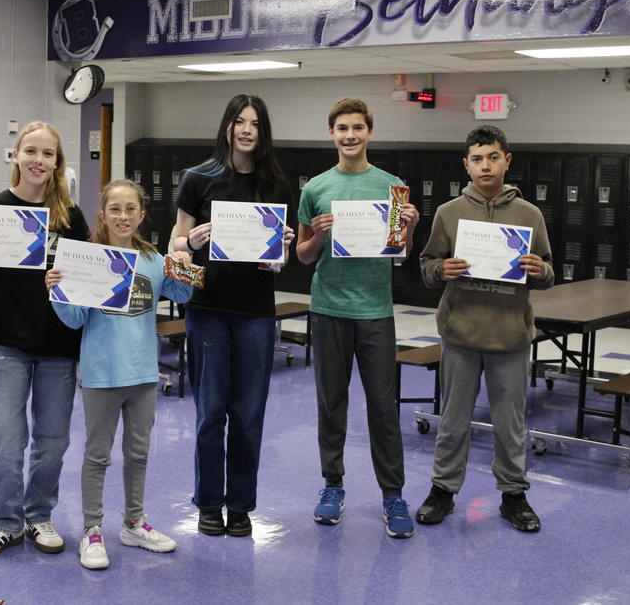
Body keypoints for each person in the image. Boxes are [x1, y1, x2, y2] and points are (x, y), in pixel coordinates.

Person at [47, 179, 194, 569]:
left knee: (139, 454)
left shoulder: (152, 259)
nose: (123, 216)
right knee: (97, 456)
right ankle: (92, 530)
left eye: (131, 209)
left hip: (143, 373)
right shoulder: (88, 258)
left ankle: (134, 522)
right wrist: (58, 293)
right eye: (115, 209)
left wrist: (184, 272)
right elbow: (75, 318)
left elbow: (181, 297)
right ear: (103, 214)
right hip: (101, 373)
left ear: (141, 215)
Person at [416, 124, 554, 533]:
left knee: (510, 421)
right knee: (453, 419)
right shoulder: (449, 212)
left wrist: (539, 269)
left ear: (507, 161)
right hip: (461, 334)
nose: (485, 165)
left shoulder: (529, 214)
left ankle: (513, 495)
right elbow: (426, 268)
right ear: (466, 165)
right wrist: (442, 268)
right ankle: (443, 489)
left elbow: (548, 272)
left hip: (509, 335)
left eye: (493, 157)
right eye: (477, 159)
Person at [170, 93, 296, 537]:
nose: (246, 130)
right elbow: (175, 245)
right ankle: (208, 503)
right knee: (210, 412)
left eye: (255, 124)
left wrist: (281, 246)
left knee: (248, 413)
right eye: (239, 122)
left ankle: (241, 506)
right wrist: (194, 242)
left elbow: (284, 256)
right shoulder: (198, 179)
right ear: (227, 127)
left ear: (263, 132)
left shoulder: (276, 184)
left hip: (255, 312)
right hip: (206, 309)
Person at [295, 98, 420, 538]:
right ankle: (333, 486)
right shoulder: (316, 189)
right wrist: (320, 235)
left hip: (375, 312)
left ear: (369, 133)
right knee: (331, 404)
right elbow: (304, 255)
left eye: (358, 128)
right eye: (342, 128)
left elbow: (400, 254)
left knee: (383, 408)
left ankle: (393, 494)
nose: (350, 135)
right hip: (329, 308)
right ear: (331, 133)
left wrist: (409, 227)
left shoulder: (392, 186)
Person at [0, 121, 90, 562]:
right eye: (31, 151)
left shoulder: (70, 217)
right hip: (8, 342)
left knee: (53, 439)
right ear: (15, 156)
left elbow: (87, 279)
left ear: (58, 164)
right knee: (6, 437)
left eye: (48, 154)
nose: (39, 160)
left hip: (59, 344)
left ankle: (39, 515)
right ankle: (6, 523)